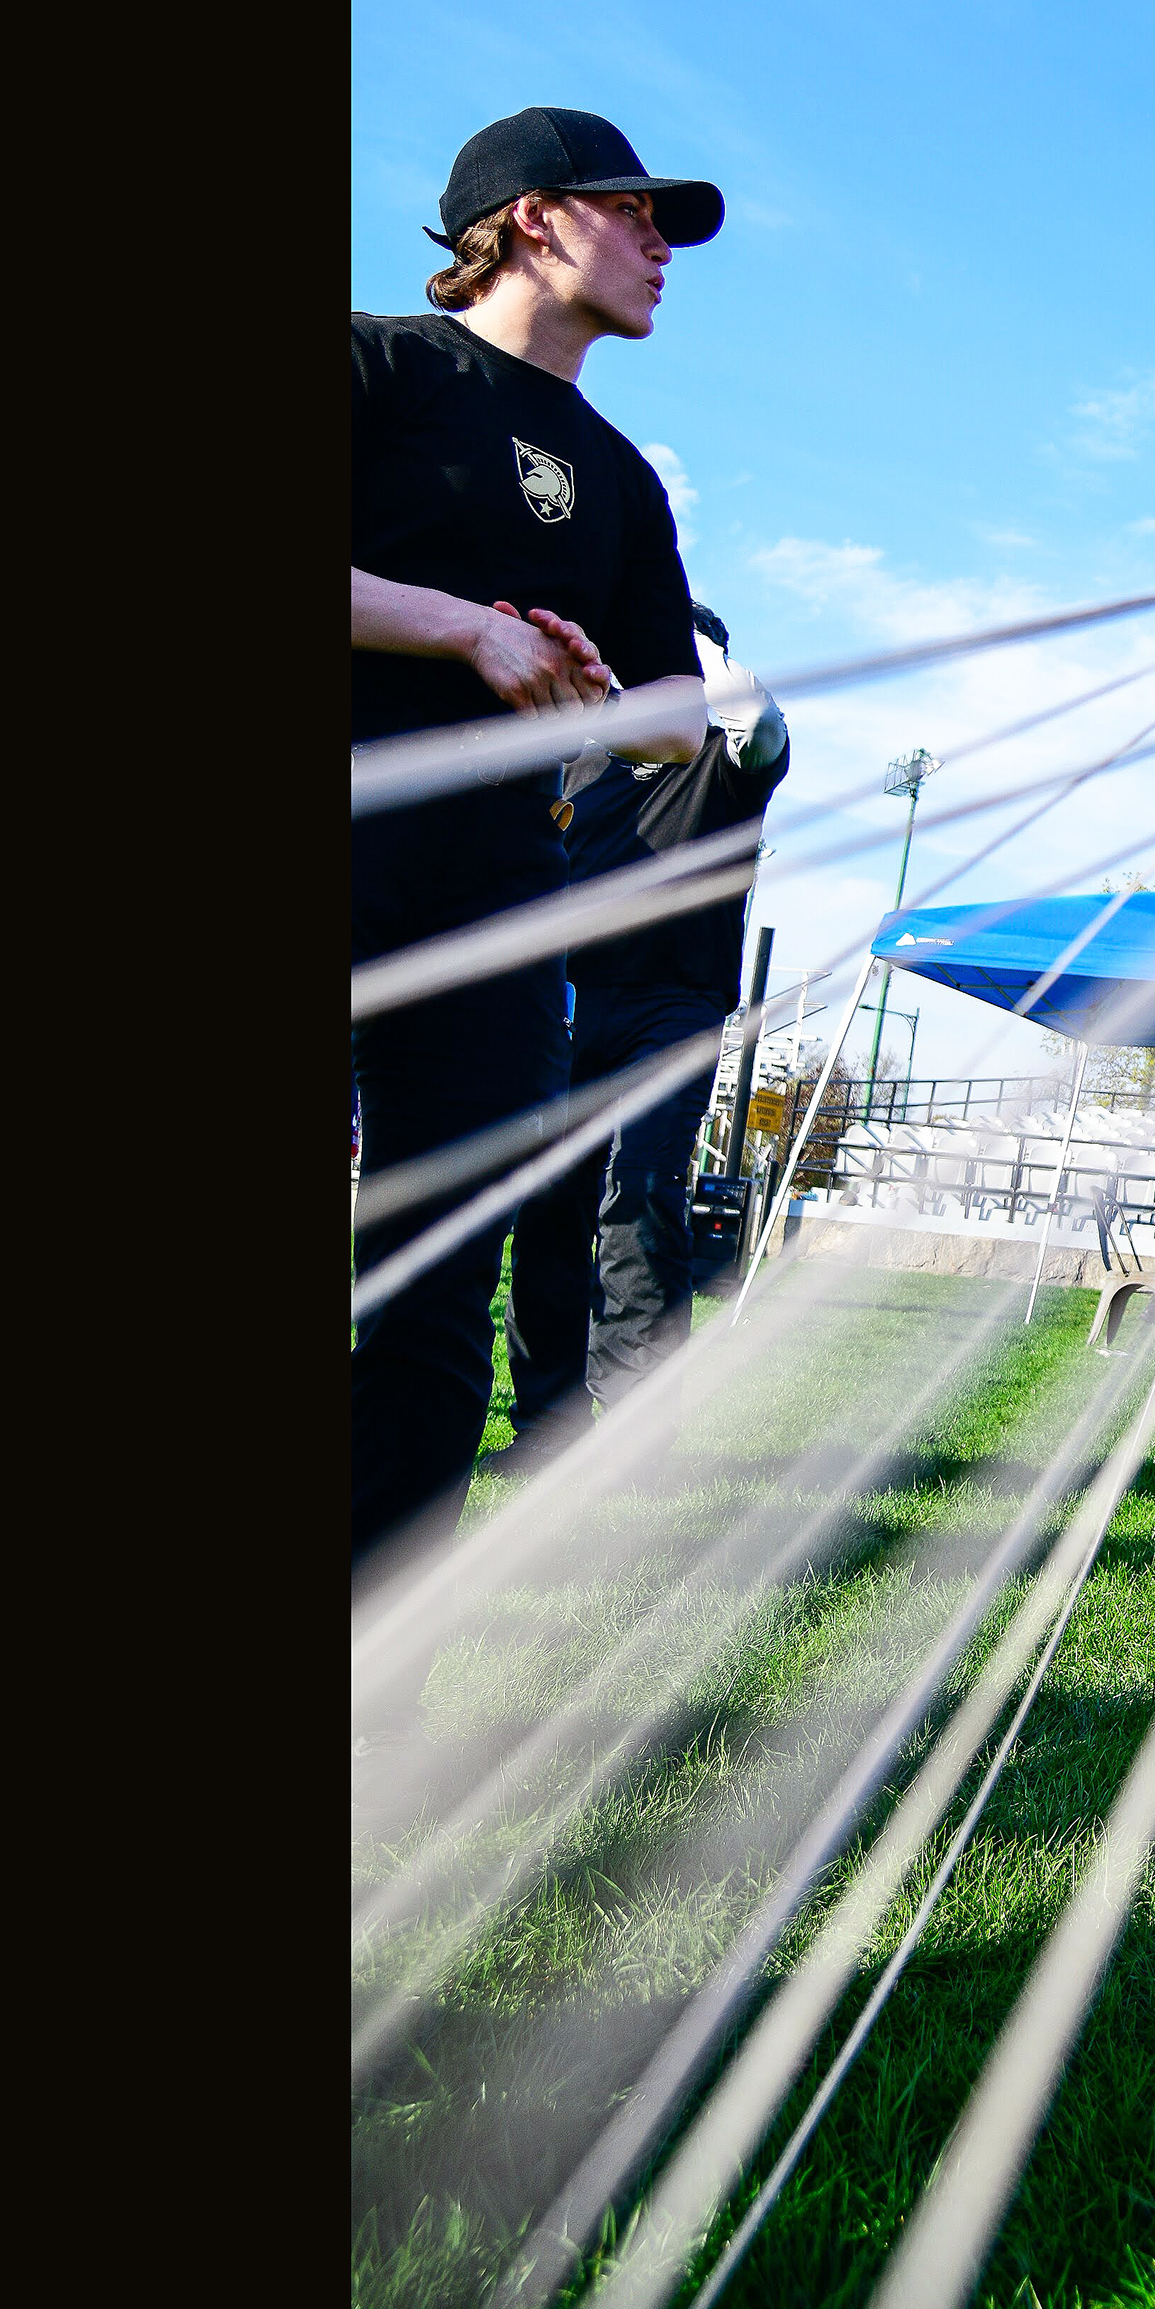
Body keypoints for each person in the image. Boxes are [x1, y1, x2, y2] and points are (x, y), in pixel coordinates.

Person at [350, 108, 719, 1570]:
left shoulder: (620, 477)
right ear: (532, 218)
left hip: (497, 898)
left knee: (436, 1297)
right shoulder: (379, 365)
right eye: (638, 215)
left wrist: (586, 688)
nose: (662, 251)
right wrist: (465, 633)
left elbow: (680, 720)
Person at [498, 606, 792, 1469]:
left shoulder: (732, 758)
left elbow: (756, 716)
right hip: (570, 999)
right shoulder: (580, 758)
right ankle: (546, 1426)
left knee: (642, 1190)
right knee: (550, 1208)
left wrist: (675, 632)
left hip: (674, 1004)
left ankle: (634, 1427)